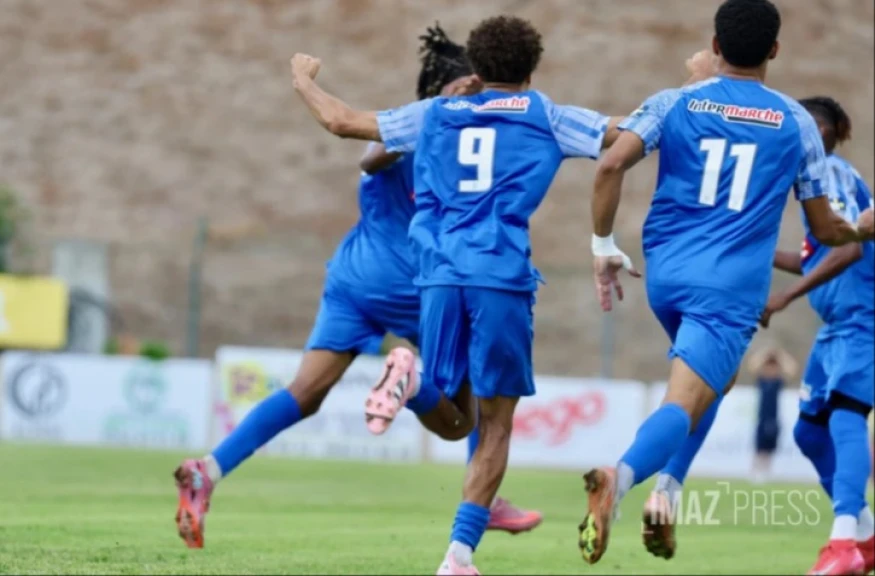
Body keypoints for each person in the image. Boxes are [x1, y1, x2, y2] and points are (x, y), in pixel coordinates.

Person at [171, 24, 542, 550]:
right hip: (414, 283)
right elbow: (371, 158)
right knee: (468, 405)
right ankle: (480, 492)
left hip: (354, 277)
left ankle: (208, 469)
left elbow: (368, 157)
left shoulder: (424, 125)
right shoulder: (428, 127)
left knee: (306, 392)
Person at [576, 0, 866, 567]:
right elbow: (827, 231)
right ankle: (623, 477)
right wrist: (864, 227)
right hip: (727, 288)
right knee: (685, 398)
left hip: (666, 275)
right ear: (774, 50)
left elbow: (609, 165)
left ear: (714, 44)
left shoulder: (674, 100)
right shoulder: (796, 123)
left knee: (719, 379)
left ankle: (669, 490)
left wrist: (603, 245)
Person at [760, 96, 874, 575]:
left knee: (846, 415)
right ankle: (866, 535)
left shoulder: (828, 174)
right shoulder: (818, 186)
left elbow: (850, 248)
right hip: (838, 326)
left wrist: (784, 298)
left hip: (863, 319)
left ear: (816, 132)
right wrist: (754, 248)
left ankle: (844, 540)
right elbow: (815, 257)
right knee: (809, 432)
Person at [747, 345, 797, 484]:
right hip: (761, 419)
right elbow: (751, 366)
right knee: (759, 448)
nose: (771, 370)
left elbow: (792, 370)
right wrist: (765, 353)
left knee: (770, 449)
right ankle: (755, 473)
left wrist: (780, 355)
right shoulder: (762, 381)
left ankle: (765, 473)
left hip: (774, 420)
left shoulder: (777, 383)